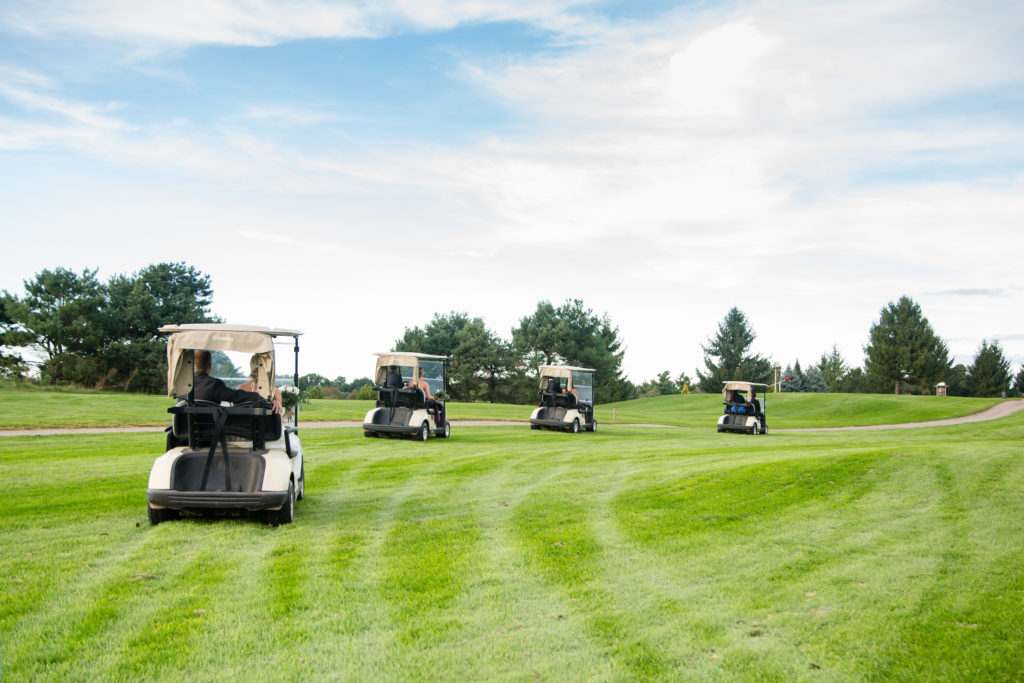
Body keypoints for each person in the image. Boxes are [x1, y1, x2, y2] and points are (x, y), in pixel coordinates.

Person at [192, 350, 281, 413]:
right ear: (210, 365)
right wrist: (265, 397)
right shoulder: (214, 385)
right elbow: (236, 396)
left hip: (183, 432)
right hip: (209, 432)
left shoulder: (184, 387)